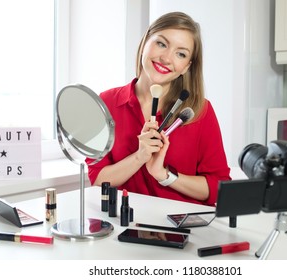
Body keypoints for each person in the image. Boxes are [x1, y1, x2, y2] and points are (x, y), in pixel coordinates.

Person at [86, 11, 230, 206]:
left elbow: (218, 188)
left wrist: (163, 175)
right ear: (145, 41)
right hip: (125, 225)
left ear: (187, 66)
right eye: (161, 43)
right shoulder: (106, 102)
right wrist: (139, 157)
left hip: (184, 229)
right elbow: (98, 180)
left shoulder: (201, 110)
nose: (166, 58)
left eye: (181, 54)